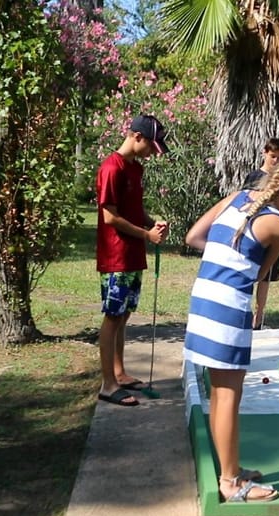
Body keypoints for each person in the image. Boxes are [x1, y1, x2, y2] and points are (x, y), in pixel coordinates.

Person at [183, 160, 279, 503]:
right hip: (229, 308)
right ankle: (230, 482)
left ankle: (232, 468)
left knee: (220, 393)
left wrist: (222, 251)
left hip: (203, 300)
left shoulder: (237, 196)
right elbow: (259, 274)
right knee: (228, 397)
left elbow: (194, 237)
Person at [95, 114, 170, 407]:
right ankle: (108, 385)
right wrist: (146, 235)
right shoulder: (111, 168)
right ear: (136, 136)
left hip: (133, 254)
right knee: (112, 316)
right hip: (115, 255)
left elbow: (133, 210)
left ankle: (120, 373)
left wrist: (153, 224)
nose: (152, 153)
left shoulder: (135, 169)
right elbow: (110, 216)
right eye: (151, 146)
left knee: (124, 314)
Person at [242, 138, 279, 330]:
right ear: (264, 153)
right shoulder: (254, 177)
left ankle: (258, 319)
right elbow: (245, 201)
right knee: (248, 272)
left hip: (273, 231)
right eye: (273, 156)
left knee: (266, 277)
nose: (276, 161)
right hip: (255, 231)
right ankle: (245, 314)